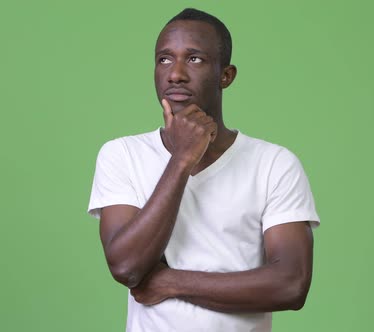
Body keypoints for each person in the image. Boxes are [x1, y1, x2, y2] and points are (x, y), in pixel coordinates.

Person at [87, 8, 320, 332]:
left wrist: (172, 282)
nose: (175, 74)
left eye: (194, 59)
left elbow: (290, 284)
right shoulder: (122, 154)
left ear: (226, 75)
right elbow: (127, 266)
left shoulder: (274, 164)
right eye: (164, 59)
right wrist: (182, 159)